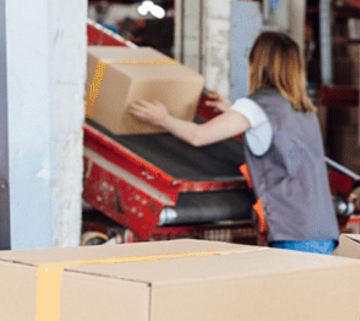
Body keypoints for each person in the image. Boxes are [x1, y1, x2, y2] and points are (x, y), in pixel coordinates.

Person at [129, 31, 339, 254]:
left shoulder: (255, 107)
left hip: (293, 231)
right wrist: (233, 110)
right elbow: (273, 130)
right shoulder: (303, 109)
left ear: (256, 63)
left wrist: (163, 118)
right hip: (321, 229)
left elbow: (198, 136)